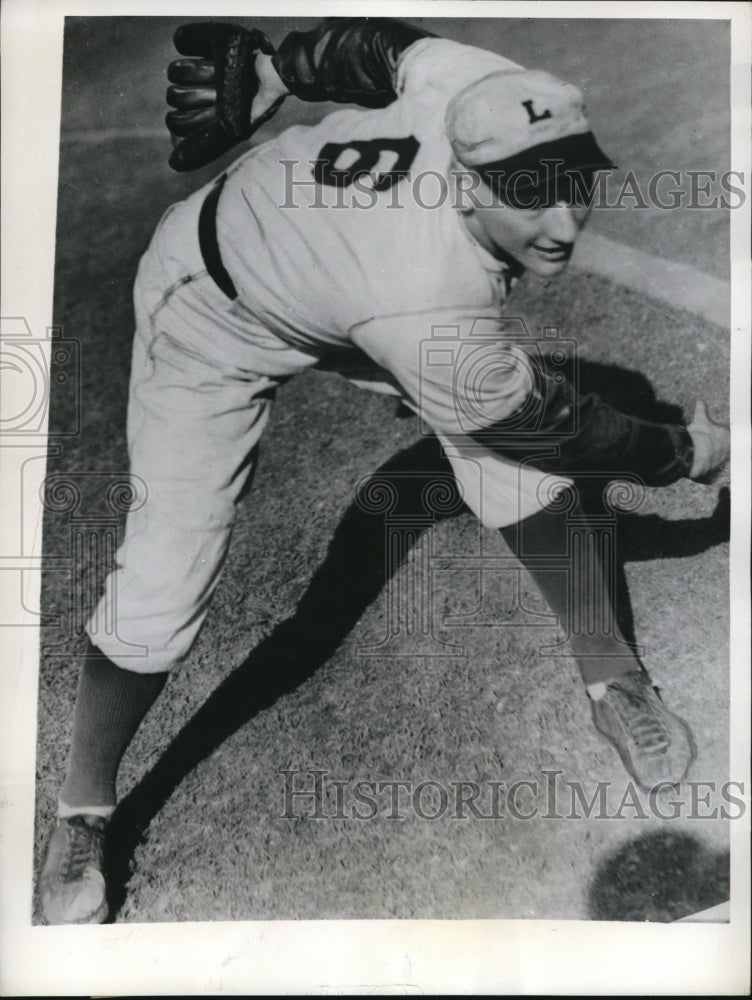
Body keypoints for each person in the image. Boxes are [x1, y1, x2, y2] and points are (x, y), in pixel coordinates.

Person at [39, 17, 729, 924]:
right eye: (528, 197)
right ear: (463, 179)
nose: (562, 225)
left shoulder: (489, 90)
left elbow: (375, 48)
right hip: (212, 306)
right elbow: (554, 424)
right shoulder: (428, 299)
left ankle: (614, 679)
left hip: (348, 284)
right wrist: (689, 453)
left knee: (515, 473)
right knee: (167, 578)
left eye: (573, 186)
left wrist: (283, 69)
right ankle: (81, 809)